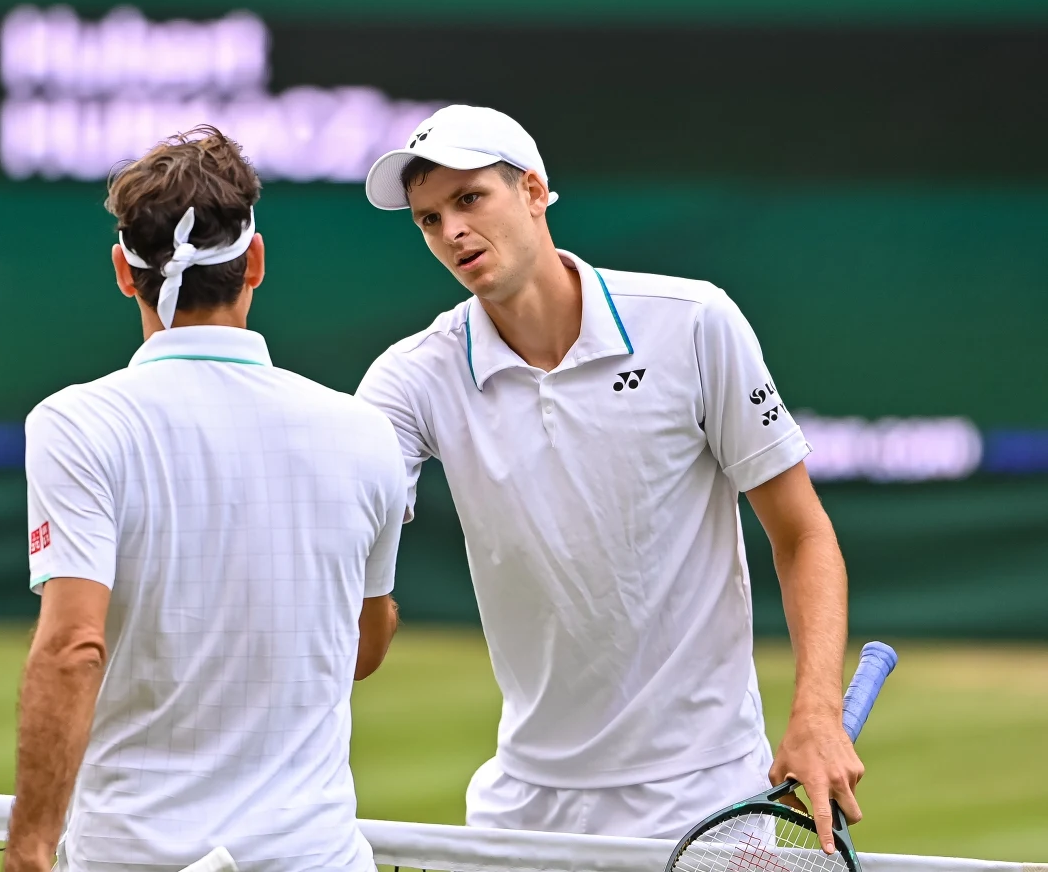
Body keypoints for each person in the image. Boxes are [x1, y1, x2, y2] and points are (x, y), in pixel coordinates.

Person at [356, 105, 862, 851]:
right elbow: (340, 538)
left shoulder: (694, 323)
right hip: (524, 805)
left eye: (470, 200)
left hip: (707, 792)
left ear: (533, 191)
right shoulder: (409, 379)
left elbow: (803, 533)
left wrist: (816, 711)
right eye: (429, 219)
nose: (451, 232)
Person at [4, 126, 406, 872]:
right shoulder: (365, 434)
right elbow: (364, 644)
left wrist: (28, 855)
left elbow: (72, 647)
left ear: (124, 273)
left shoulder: (76, 424)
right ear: (255, 261)